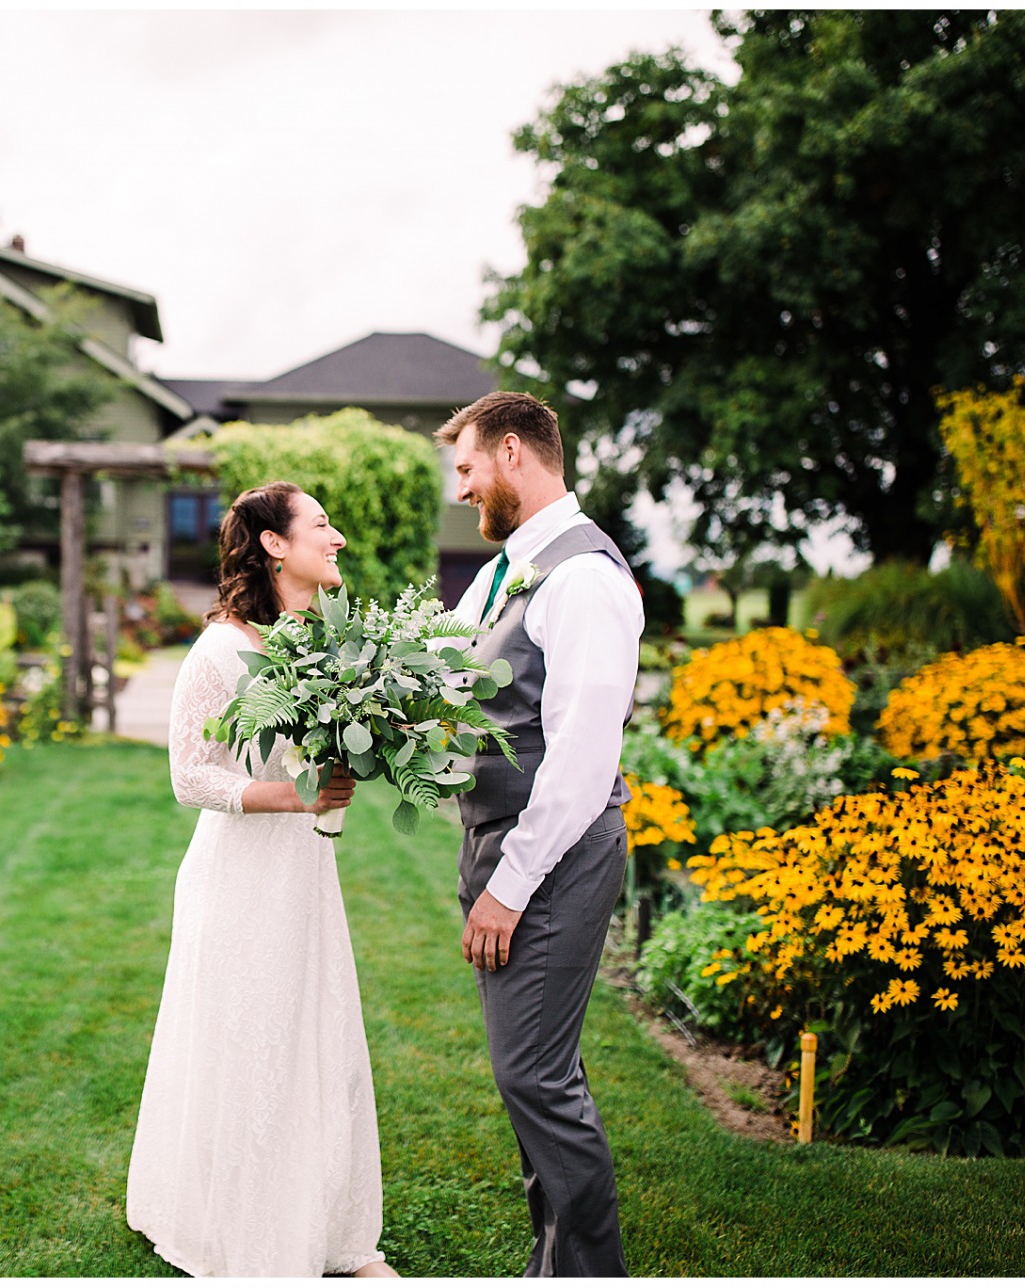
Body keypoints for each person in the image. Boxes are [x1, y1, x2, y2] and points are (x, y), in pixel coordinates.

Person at [126, 481, 398, 1278]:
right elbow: (189, 777)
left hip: (303, 874)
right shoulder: (220, 651)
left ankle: (326, 1229)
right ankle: (242, 1230)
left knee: (312, 1034)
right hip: (240, 879)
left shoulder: (323, 645)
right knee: (249, 1044)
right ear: (275, 545)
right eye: (321, 525)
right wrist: (293, 794)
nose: (338, 537)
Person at [436, 392, 642, 1277]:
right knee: (539, 1074)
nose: (460, 489)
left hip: (551, 855)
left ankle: (590, 1271)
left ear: (512, 452)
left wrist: (508, 887)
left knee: (534, 1078)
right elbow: (439, 659)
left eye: (467, 468)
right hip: (501, 841)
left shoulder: (586, 578)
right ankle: (552, 1260)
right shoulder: (503, 572)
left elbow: (581, 762)